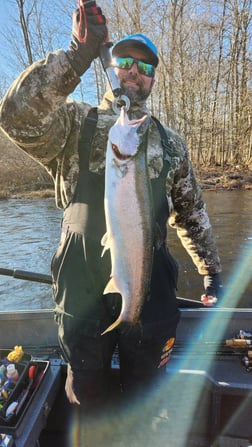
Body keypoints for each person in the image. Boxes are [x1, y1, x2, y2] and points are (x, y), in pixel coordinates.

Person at [0, 2, 222, 444]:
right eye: (125, 61)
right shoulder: (73, 122)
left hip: (148, 291)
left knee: (147, 393)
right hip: (80, 290)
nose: (134, 71)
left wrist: (212, 274)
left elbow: (192, 215)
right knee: (87, 396)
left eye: (145, 66)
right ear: (113, 67)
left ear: (153, 79)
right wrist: (78, 55)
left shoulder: (169, 142)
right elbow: (16, 115)